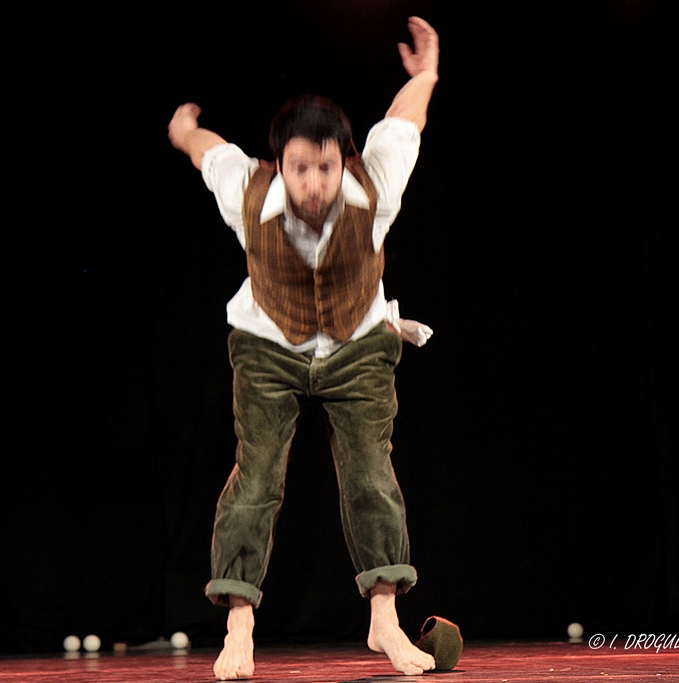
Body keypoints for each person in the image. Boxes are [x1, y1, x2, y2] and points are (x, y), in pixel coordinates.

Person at [168, 16, 440, 680]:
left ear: (340, 159)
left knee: (372, 471)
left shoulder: (374, 183)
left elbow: (405, 120)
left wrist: (426, 74)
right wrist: (182, 132)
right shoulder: (247, 187)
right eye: (298, 168)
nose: (312, 184)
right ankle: (239, 624)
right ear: (279, 162)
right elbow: (209, 149)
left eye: (323, 167)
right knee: (257, 476)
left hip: (357, 339)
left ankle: (385, 619)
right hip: (268, 343)